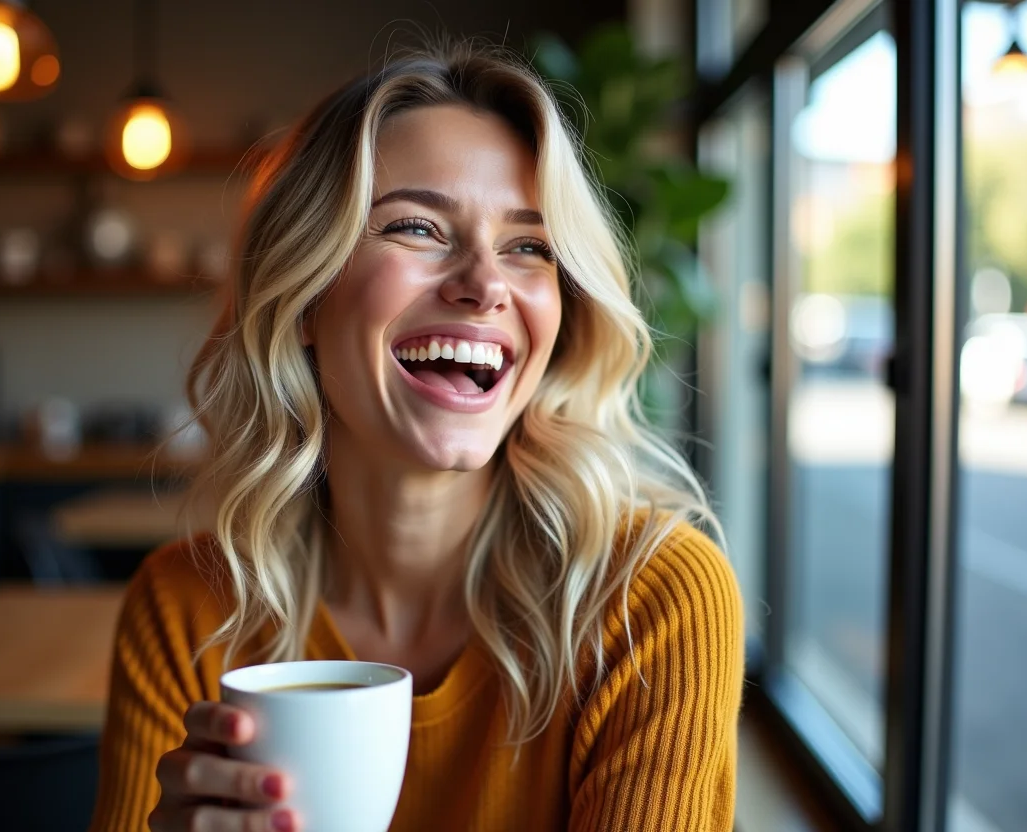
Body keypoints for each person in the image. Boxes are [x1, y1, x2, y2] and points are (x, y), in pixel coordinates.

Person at [90, 40, 744, 832]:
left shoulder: (651, 601)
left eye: (528, 246)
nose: (485, 284)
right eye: (418, 228)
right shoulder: (184, 610)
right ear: (302, 298)